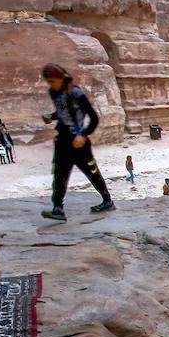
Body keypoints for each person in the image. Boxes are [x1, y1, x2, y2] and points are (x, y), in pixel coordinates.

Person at [40, 63, 113, 221]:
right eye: (49, 81)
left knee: (91, 172)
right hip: (62, 140)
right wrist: (51, 117)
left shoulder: (76, 93)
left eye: (53, 81)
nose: (51, 85)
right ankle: (57, 208)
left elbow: (93, 118)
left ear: (61, 78)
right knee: (59, 174)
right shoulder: (54, 92)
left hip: (78, 140)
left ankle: (107, 200)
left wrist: (83, 135)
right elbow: (63, 112)